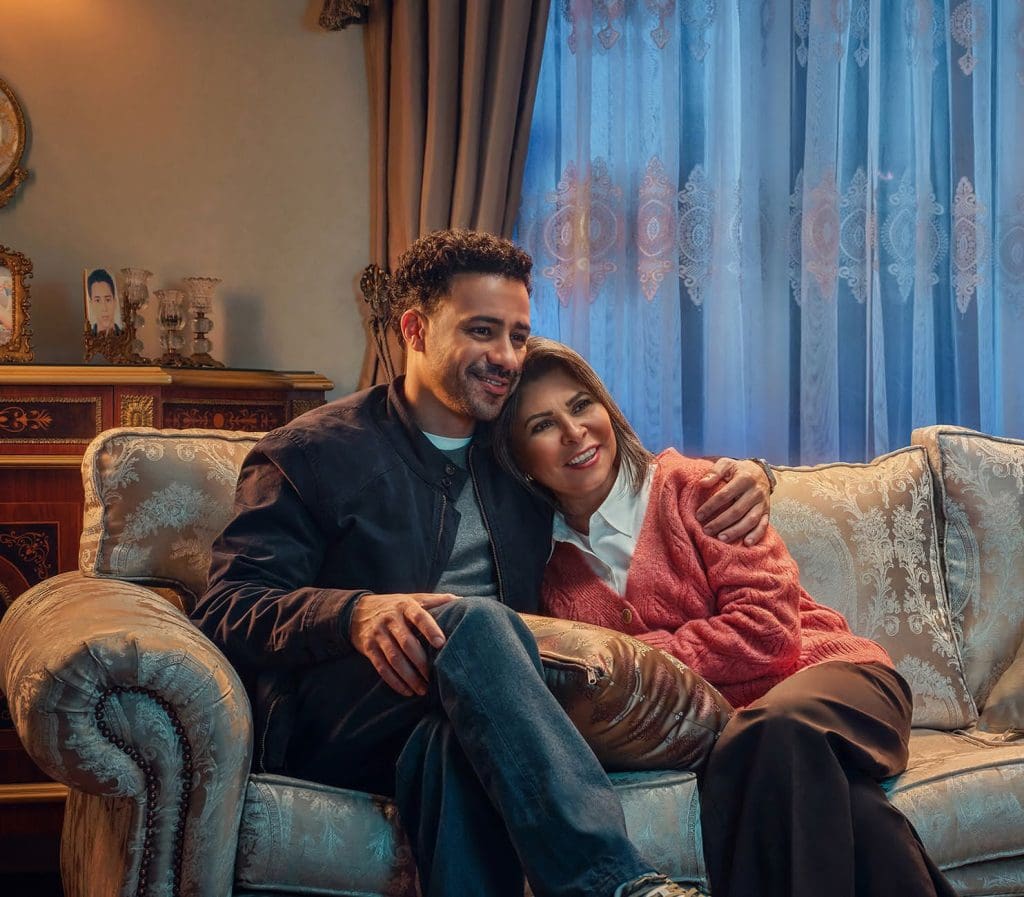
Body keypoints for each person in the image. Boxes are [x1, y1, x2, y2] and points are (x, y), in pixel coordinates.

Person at [194, 230, 771, 897]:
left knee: (451, 749)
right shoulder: (312, 453)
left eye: (518, 335)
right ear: (415, 329)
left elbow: (627, 471)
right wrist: (355, 614)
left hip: (473, 715)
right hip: (337, 715)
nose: (506, 357)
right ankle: (613, 883)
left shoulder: (519, 452)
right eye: (482, 330)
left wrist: (754, 476)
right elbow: (227, 605)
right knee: (475, 621)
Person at [493, 336, 958, 897]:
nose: (574, 433)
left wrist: (635, 659)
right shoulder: (549, 575)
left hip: (844, 686)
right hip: (769, 746)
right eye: (542, 425)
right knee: (841, 806)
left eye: (580, 405)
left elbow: (769, 634)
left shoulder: (699, 490)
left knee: (759, 739)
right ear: (518, 458)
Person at [86, 268, 122, 336]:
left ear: (115, 302)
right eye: (97, 300)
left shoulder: (125, 337)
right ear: (91, 305)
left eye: (108, 300)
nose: (104, 308)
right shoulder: (88, 339)